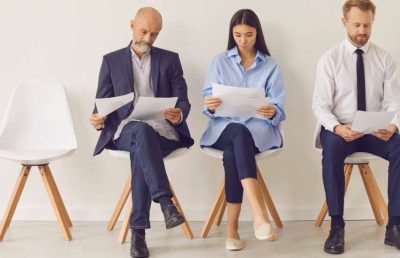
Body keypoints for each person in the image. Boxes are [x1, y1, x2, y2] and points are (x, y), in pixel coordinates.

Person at [89, 7, 194, 258]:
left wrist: (178, 114)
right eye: (144, 31)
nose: (148, 38)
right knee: (139, 130)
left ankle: (139, 232)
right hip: (125, 130)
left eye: (154, 34)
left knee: (143, 143)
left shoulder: (170, 59)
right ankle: (165, 203)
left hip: (163, 132)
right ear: (132, 25)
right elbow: (100, 104)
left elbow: (183, 101)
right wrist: (97, 119)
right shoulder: (111, 61)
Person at [312, 0, 400, 254]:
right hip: (342, 129)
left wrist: (392, 126)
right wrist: (337, 127)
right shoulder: (330, 59)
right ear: (344, 23)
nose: (362, 30)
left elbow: (394, 100)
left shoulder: (384, 58)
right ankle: (336, 227)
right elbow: (320, 105)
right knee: (331, 154)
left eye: (367, 25)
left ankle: (394, 225)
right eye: (357, 24)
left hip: (375, 129)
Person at [200, 9, 286, 251]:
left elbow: (279, 106)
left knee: (232, 155)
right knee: (237, 130)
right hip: (222, 129)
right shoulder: (219, 61)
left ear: (257, 33)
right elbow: (208, 100)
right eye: (237, 35)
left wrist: (273, 112)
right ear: (232, 34)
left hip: (258, 132)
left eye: (248, 35)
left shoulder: (271, 65)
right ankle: (258, 213)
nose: (243, 41)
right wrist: (210, 105)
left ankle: (232, 231)